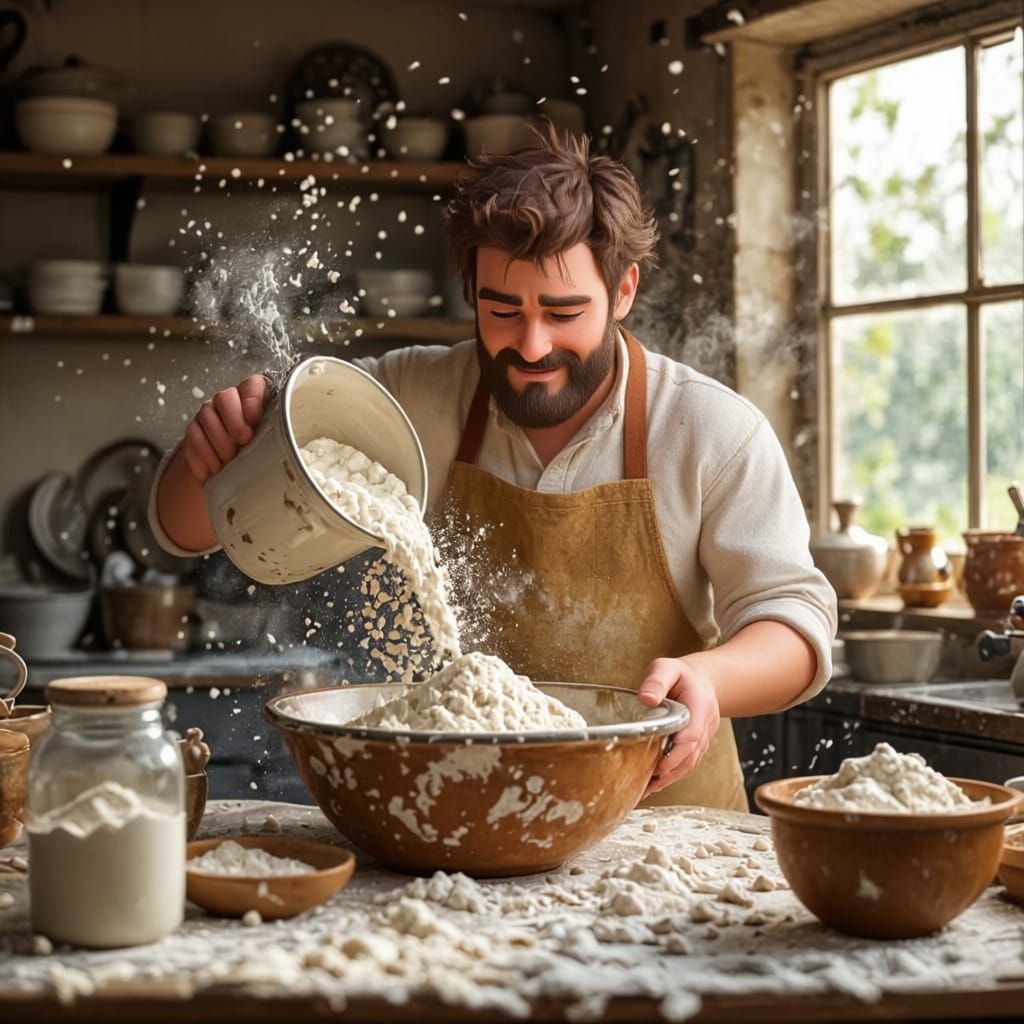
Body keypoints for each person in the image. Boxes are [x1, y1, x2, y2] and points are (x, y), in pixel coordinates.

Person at [150, 127, 837, 810]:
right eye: (501, 309)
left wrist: (710, 678)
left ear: (623, 290)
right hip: (468, 816)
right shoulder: (410, 395)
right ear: (471, 289)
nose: (531, 345)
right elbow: (193, 530)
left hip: (664, 830)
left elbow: (795, 626)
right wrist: (209, 457)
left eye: (563, 312)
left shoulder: (710, 429)